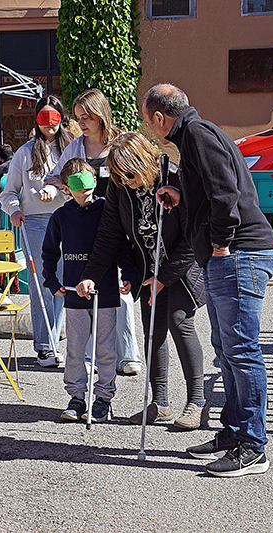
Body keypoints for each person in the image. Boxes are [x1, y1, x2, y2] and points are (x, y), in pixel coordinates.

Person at [143, 83, 273, 477]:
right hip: (235, 254)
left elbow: (225, 192)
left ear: (159, 117)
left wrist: (220, 241)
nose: (149, 128)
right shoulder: (196, 134)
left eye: (148, 120)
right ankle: (234, 433)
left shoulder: (197, 135)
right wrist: (180, 193)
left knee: (241, 350)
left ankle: (253, 447)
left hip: (237, 254)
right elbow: (212, 188)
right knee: (227, 348)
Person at [77, 132, 208, 429]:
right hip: (149, 269)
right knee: (152, 330)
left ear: (143, 163)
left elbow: (192, 236)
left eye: (130, 175)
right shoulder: (120, 186)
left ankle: (198, 403)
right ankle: (160, 403)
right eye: (119, 177)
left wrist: (166, 276)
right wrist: (90, 275)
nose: (125, 182)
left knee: (179, 321)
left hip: (181, 266)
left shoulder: (174, 177)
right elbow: (109, 234)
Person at [47, 88, 142, 376]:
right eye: (77, 117)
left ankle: (127, 355)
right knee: (87, 289)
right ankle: (90, 358)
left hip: (118, 221)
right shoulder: (75, 146)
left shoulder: (120, 142)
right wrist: (54, 185)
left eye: (86, 117)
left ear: (101, 115)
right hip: (87, 224)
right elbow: (58, 174)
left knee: (121, 291)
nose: (81, 122)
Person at [43, 158, 135, 423]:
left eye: (88, 179)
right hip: (74, 295)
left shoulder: (108, 211)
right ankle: (77, 397)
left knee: (106, 349)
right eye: (77, 182)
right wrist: (52, 281)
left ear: (95, 180)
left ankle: (103, 399)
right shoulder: (61, 216)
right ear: (66, 188)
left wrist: (128, 274)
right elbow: (49, 252)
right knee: (75, 349)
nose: (84, 186)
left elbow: (122, 247)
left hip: (105, 293)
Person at [0, 94, 72, 367]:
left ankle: (54, 339)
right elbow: (8, 192)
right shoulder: (25, 152)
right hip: (34, 222)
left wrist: (60, 189)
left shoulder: (72, 149)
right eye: (43, 118)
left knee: (63, 281)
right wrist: (14, 210)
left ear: (62, 118)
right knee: (42, 282)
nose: (49, 124)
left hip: (67, 218)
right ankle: (45, 345)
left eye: (54, 118)